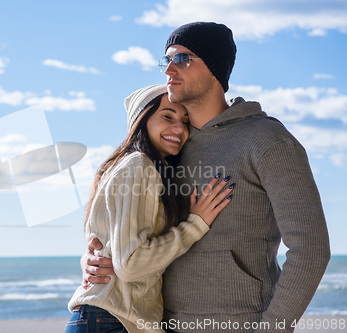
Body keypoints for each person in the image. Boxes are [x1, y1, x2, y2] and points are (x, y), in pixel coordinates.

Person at [81, 22, 330, 333]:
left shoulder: (267, 140)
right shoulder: (167, 149)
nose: (169, 69)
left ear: (214, 69)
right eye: (166, 60)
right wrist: (94, 260)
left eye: (183, 59)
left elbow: (311, 248)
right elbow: (133, 236)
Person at [65, 84, 234, 333]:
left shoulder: (135, 167)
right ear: (141, 121)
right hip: (112, 322)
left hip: (108, 319)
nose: (179, 128)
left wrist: (87, 260)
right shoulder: (139, 165)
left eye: (185, 121)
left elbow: (111, 248)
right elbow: (130, 264)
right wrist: (196, 224)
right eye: (167, 116)